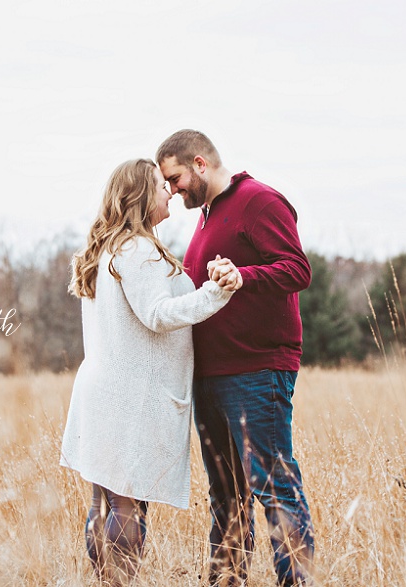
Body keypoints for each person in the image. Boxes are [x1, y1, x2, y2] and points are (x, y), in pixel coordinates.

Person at [60, 158, 243, 586]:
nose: (170, 193)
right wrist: (216, 293)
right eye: (162, 186)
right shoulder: (137, 248)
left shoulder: (110, 247)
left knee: (105, 501)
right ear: (141, 195)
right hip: (129, 397)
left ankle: (107, 581)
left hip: (105, 390)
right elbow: (158, 314)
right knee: (125, 505)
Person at [156, 130, 315, 586]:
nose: (173, 190)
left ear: (200, 164)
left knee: (274, 487)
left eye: (175, 178)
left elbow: (297, 268)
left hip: (256, 371)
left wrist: (242, 276)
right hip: (210, 376)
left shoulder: (260, 201)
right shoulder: (206, 215)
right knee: (226, 496)